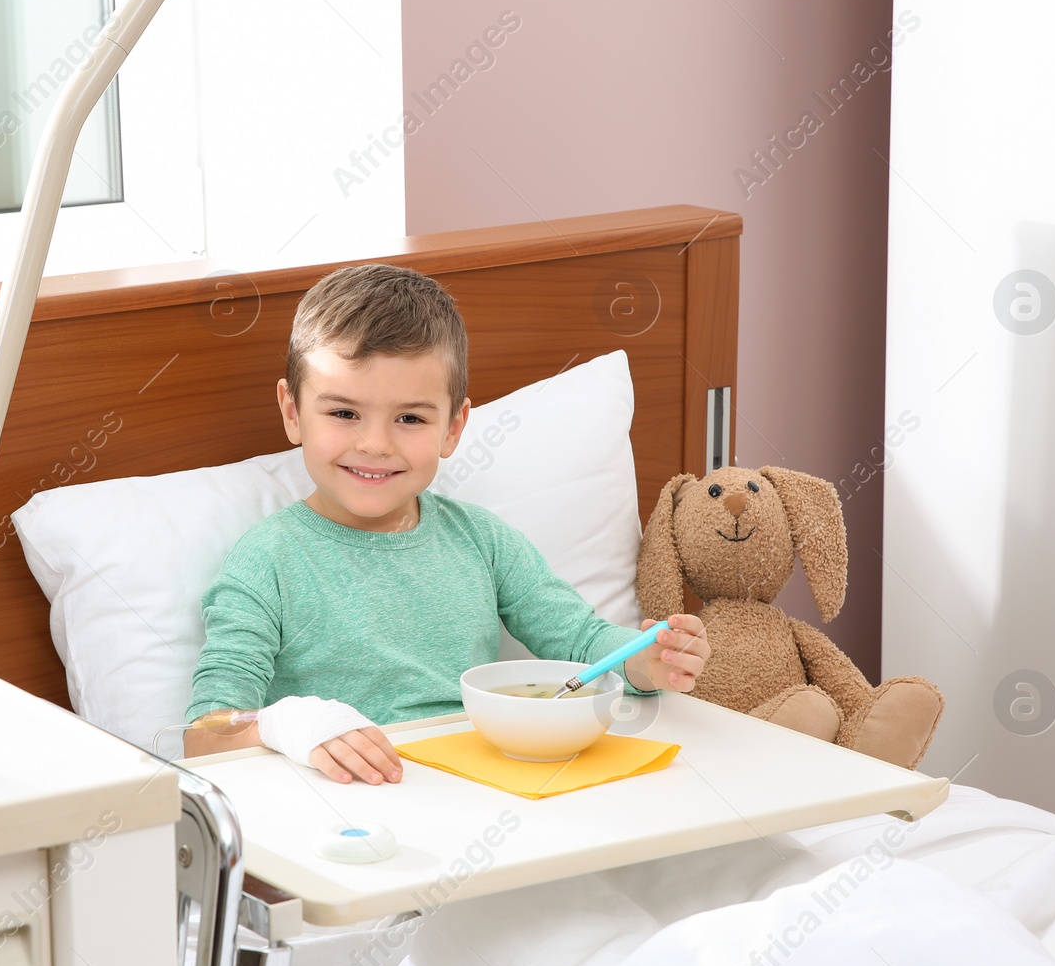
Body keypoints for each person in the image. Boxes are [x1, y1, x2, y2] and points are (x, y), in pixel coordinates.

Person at [182, 263, 710, 783]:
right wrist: (291, 723)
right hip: (349, 807)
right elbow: (205, 733)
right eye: (343, 413)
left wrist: (649, 663)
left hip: (480, 788)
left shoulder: (482, 541)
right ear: (293, 412)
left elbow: (581, 642)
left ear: (454, 428)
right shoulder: (267, 560)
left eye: (410, 418)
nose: (375, 444)